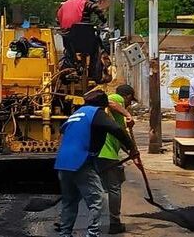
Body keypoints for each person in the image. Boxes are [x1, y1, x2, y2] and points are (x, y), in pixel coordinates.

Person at [55, 90, 139, 237]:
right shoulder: (96, 113)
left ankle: (65, 234)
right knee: (97, 199)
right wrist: (132, 148)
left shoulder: (76, 114)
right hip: (80, 161)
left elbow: (62, 133)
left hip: (62, 162)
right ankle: (92, 234)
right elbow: (116, 129)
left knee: (70, 201)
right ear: (102, 104)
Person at [97, 84, 138, 234]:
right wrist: (128, 114)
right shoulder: (117, 99)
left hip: (103, 153)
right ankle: (114, 223)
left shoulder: (115, 117)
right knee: (114, 188)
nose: (129, 104)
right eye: (130, 101)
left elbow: (120, 139)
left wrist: (132, 153)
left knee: (91, 187)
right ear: (126, 97)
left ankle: (66, 220)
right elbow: (109, 101)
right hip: (105, 153)